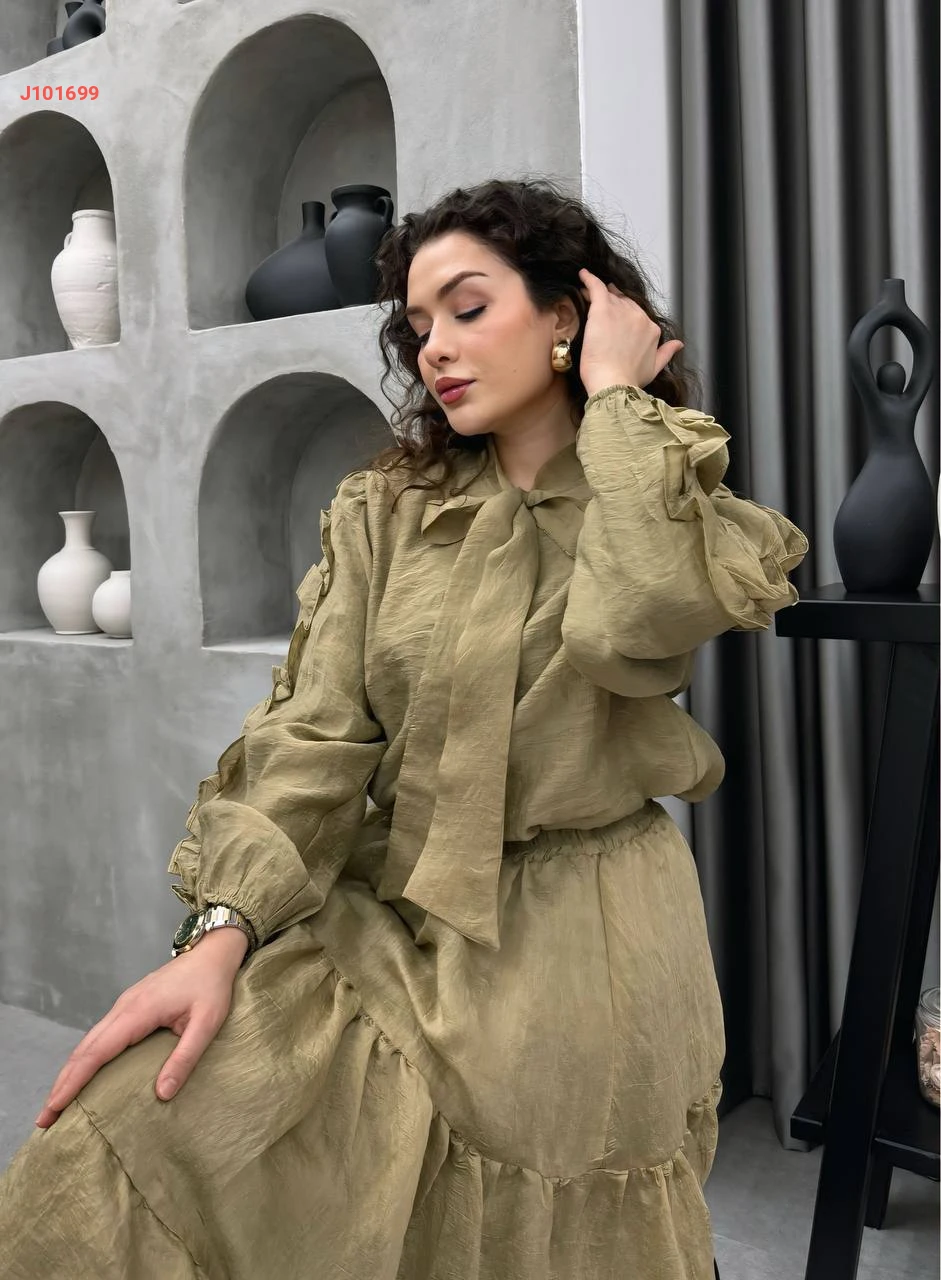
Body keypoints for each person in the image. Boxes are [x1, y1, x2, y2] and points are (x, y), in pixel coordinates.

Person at [0, 176, 808, 1279]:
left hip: (584, 938)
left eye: (468, 308)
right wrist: (222, 930)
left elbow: (636, 621)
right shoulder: (384, 509)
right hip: (396, 907)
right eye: (419, 326)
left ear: (565, 313)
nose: (436, 349)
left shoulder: (660, 493)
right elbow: (314, 733)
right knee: (144, 1118)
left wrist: (618, 397)